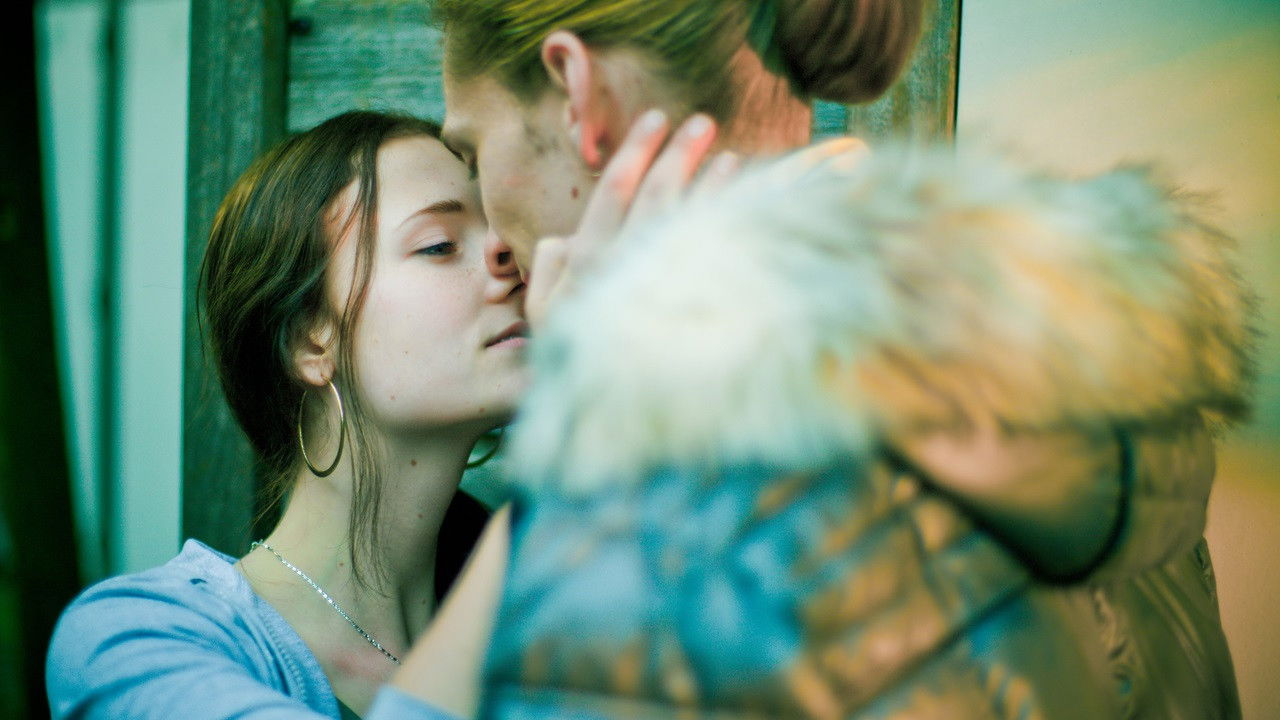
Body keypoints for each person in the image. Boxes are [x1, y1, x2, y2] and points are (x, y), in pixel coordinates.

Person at [416, 0, 1244, 716]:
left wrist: (587, 430)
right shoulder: (1060, 350)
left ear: (579, 94)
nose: (493, 244)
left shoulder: (682, 473)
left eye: (474, 153)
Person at [46, 111, 520, 719]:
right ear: (309, 339)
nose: (512, 256)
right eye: (439, 245)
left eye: (507, 229)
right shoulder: (135, 643)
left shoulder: (571, 626)